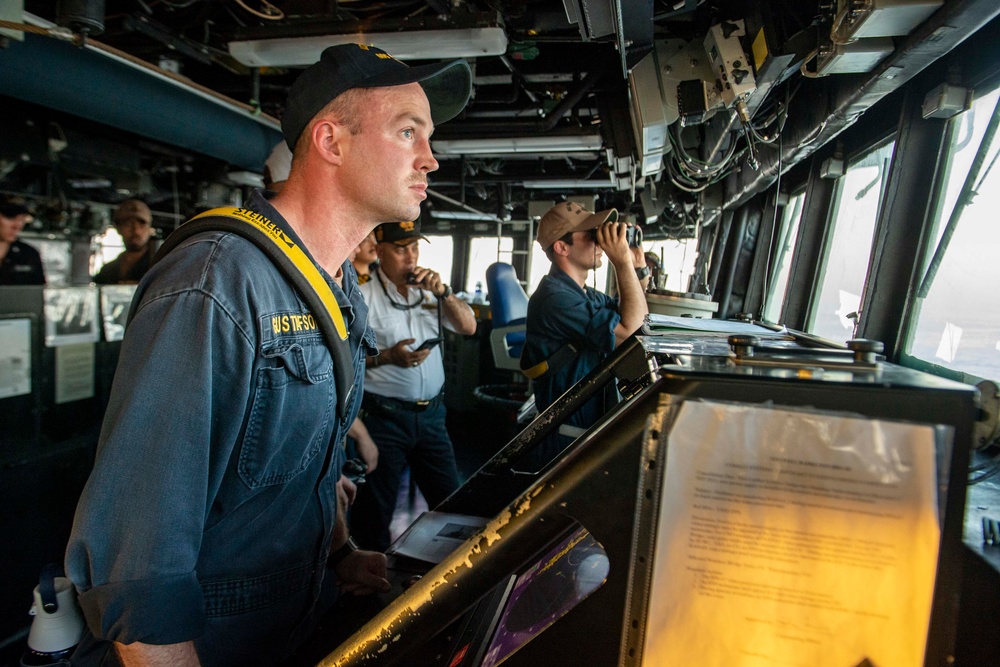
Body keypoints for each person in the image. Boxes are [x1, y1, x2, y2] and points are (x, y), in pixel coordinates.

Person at [65, 43, 471, 667]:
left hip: (293, 624)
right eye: (408, 131)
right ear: (332, 143)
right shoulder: (215, 281)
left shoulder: (333, 287)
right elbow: (136, 566)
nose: (430, 159)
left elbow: (300, 464)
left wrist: (339, 554)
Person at [351, 219, 477, 552]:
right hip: (384, 419)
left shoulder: (432, 293)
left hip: (432, 417)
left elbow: (469, 327)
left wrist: (444, 293)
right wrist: (387, 358)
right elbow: (343, 365)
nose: (411, 257)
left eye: (415, 247)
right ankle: (372, 592)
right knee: (373, 517)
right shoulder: (361, 296)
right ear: (379, 252)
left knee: (452, 506)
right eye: (400, 248)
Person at [520, 201, 649, 464]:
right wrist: (621, 261)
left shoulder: (584, 294)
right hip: (563, 439)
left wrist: (637, 267)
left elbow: (635, 312)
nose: (599, 243)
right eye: (592, 235)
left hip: (582, 432)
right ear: (561, 247)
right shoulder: (555, 298)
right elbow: (632, 329)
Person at [93, 199, 157, 284]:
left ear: (149, 228)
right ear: (118, 229)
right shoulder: (108, 271)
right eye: (128, 225)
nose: (136, 231)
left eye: (142, 225)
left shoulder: (160, 266)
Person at [0, 197, 45, 285]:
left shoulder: (28, 254)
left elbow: (37, 293)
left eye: (22, 219)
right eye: (10, 217)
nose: (17, 226)